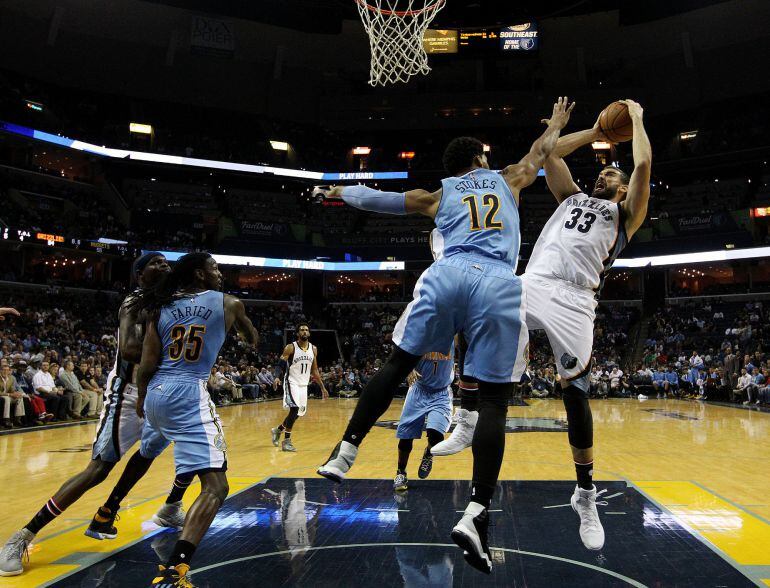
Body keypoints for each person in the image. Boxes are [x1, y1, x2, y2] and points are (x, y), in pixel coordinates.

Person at [317, 97, 575, 574]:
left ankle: (346, 449)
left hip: (448, 272)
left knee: (397, 364)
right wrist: (557, 123)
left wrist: (337, 191)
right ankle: (476, 512)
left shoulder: (438, 193)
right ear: (480, 157)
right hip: (497, 281)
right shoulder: (508, 177)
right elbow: (541, 152)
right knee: (495, 399)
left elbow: (385, 201)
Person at [430, 99, 651, 553]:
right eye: (605, 171)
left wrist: (639, 121)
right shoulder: (572, 197)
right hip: (535, 279)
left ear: (624, 190)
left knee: (576, 396)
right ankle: (468, 417)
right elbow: (550, 154)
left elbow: (644, 162)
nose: (608, 173)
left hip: (576, 300)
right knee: (484, 320)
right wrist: (593, 132)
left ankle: (584, 495)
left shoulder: (626, 215)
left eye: (616, 174)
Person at [0, 254, 193, 577]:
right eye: (155, 262)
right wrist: (170, 344)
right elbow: (131, 350)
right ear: (139, 274)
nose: (163, 265)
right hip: (129, 393)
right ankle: (21, 537)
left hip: (162, 392)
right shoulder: (135, 303)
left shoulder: (173, 303)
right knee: (98, 469)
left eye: (165, 263)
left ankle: (168, 506)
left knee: (184, 450)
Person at [131, 252, 258, 587]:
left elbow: (146, 363)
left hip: (156, 393)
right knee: (217, 486)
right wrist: (237, 328)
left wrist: (143, 398)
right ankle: (175, 570)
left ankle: (159, 506)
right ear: (201, 275)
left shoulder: (162, 305)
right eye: (215, 268)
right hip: (189, 391)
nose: (220, 273)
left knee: (166, 454)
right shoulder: (229, 303)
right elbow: (252, 339)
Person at [393, 342, 454, 492]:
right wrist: (408, 369)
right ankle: (400, 473)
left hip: (441, 392)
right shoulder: (421, 332)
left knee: (437, 435)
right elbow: (402, 350)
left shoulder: (453, 333)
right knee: (406, 436)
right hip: (419, 390)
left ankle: (429, 453)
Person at [271, 323, 328, 452]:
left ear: (309, 333)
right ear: (298, 333)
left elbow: (315, 370)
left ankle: (278, 430)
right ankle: (286, 442)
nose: (304, 332)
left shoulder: (313, 349)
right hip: (291, 382)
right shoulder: (290, 347)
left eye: (306, 330)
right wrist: (276, 377)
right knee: (294, 409)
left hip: (303, 384)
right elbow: (280, 364)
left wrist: (322, 387)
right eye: (302, 330)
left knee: (298, 414)